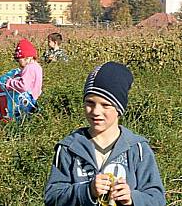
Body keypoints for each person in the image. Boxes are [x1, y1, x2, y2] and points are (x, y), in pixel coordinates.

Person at [44, 62, 166, 206]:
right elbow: (52, 198)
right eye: (90, 103)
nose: (95, 111)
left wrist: (132, 199)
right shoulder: (69, 148)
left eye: (105, 105)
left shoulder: (138, 149)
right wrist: (87, 191)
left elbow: (157, 199)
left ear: (119, 108)